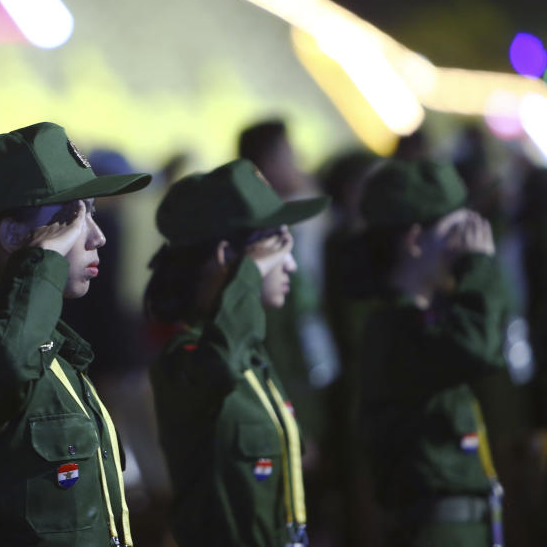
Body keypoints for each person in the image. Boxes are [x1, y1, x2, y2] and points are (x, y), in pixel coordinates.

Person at [0, 122, 150, 546]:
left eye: (93, 212)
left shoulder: (55, 350)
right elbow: (9, 361)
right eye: (71, 217)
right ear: (12, 234)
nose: (97, 236)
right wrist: (42, 259)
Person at [147, 159, 329, 547]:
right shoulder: (187, 355)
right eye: (277, 247)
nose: (291, 266)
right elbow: (218, 365)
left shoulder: (249, 350)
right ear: (226, 254)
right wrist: (248, 272)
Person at [357, 159, 507, 547]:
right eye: (457, 231)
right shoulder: (393, 327)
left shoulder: (422, 318)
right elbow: (480, 346)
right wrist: (479, 267)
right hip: (434, 529)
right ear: (414, 239)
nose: (468, 244)